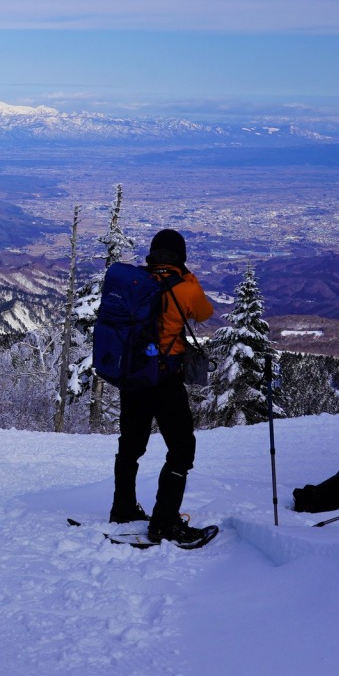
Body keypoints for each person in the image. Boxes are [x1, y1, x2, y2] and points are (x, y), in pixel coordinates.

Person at [109, 229, 215, 544]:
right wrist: (189, 277)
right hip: (165, 379)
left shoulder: (134, 282)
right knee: (181, 449)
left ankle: (123, 508)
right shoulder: (185, 289)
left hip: (132, 377)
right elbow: (205, 313)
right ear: (180, 257)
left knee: (130, 446)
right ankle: (165, 521)